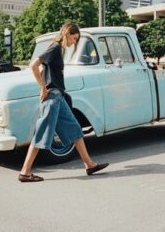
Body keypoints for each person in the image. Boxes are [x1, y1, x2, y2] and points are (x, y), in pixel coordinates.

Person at [19, 22, 109, 182]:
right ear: (67, 33)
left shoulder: (58, 50)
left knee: (75, 129)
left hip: (58, 98)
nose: (74, 42)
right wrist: (42, 87)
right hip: (52, 99)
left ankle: (89, 164)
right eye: (74, 38)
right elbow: (34, 66)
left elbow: (43, 70)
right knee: (41, 133)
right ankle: (25, 172)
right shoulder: (54, 48)